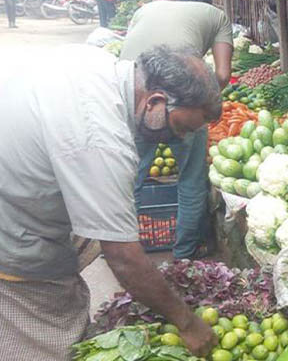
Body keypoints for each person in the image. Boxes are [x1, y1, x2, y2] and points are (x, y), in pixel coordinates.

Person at [0, 45, 220, 360]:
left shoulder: (104, 67)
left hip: (20, 182)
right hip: (13, 232)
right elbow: (123, 257)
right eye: (180, 128)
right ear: (156, 101)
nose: (181, 140)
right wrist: (187, 323)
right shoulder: (101, 138)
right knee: (48, 327)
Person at [120, 0, 233, 260]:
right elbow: (223, 75)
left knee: (130, 176)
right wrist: (199, 106)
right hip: (180, 98)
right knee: (191, 177)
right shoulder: (219, 18)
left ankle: (122, 246)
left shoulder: (144, 10)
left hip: (134, 97)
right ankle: (184, 254)